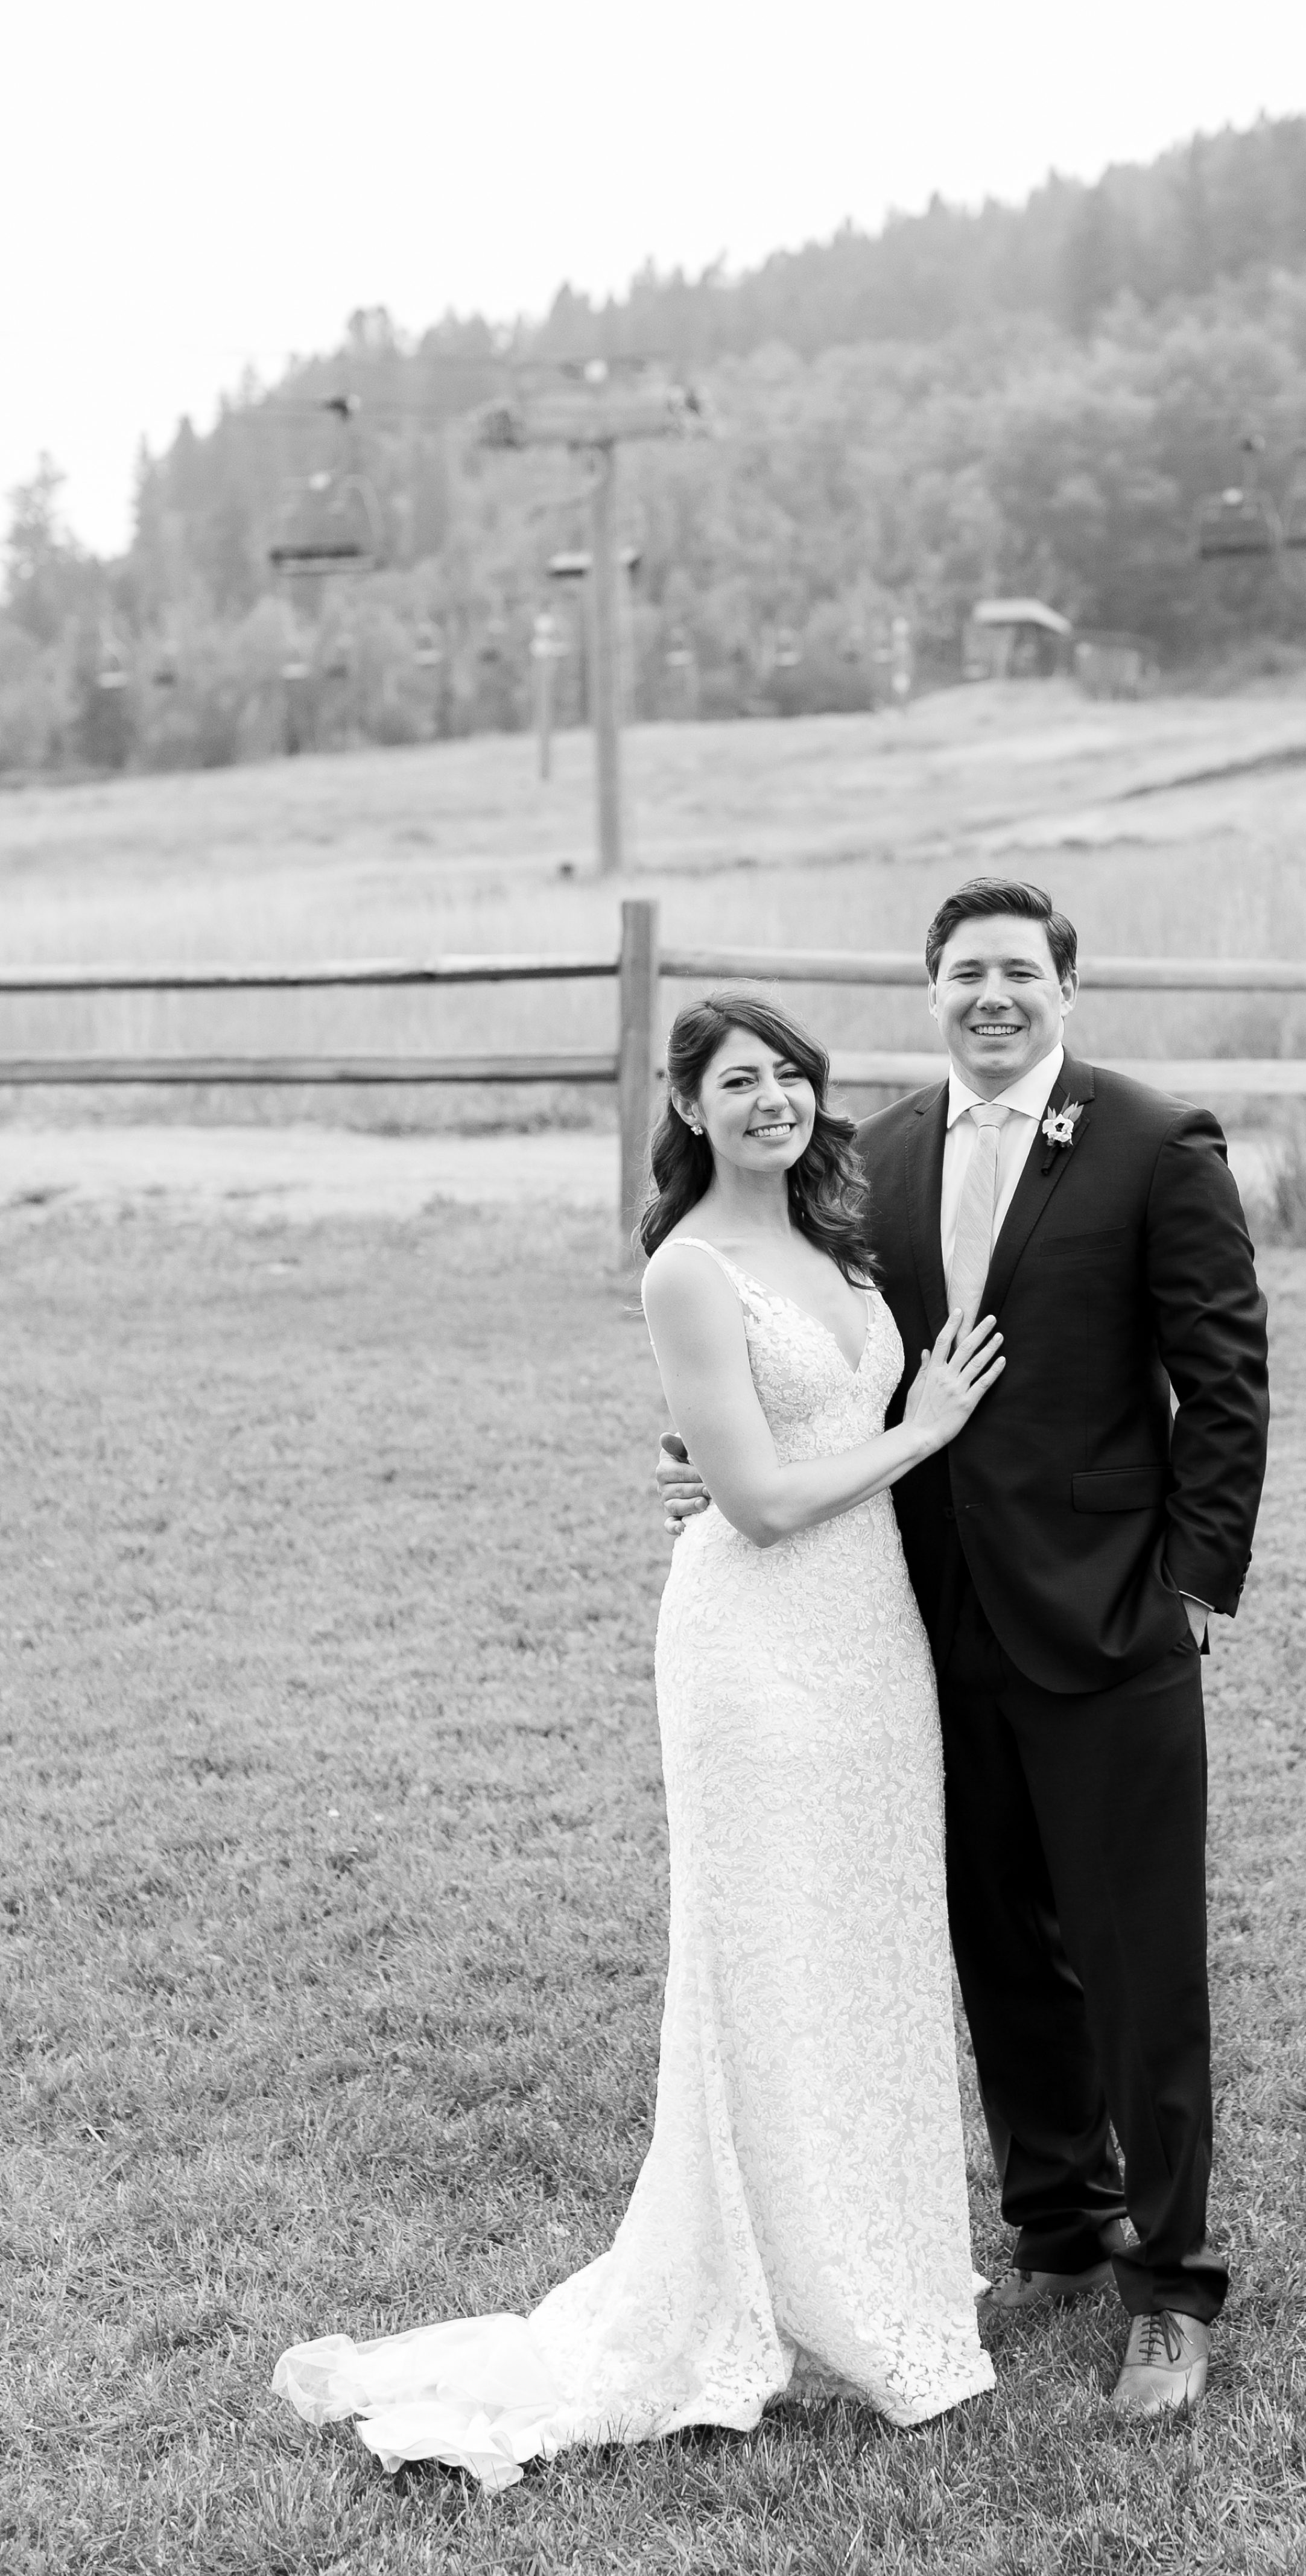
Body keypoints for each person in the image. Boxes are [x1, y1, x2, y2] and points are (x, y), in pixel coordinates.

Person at [271, 989, 1000, 2489]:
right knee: (766, 1963)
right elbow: (759, 1501)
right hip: (756, 1651)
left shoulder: (839, 1245)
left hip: (872, 1643)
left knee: (867, 1948)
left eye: (789, 1077)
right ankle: (781, 2289)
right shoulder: (687, 1269)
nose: (772, 1102)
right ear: (689, 1108)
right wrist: (925, 1428)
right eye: (739, 1082)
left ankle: (880, 2273)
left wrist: (851, 1435)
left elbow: (783, 1440)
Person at [660, 876, 1269, 2413]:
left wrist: (1193, 1586)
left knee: (1139, 1960)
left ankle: (1171, 2289)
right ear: (929, 990)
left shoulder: (1154, 1140)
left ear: (1066, 989)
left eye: (1018, 973)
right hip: (921, 1624)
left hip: (1112, 1619)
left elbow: (1225, 1373)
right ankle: (1061, 2223)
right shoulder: (880, 1159)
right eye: (963, 975)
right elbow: (826, 1367)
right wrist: (706, 1458)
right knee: (999, 1944)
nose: (991, 998)